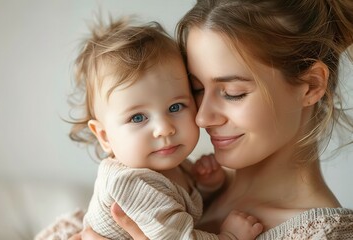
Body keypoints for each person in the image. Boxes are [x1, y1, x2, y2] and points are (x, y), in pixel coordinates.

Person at [76, 0, 353, 239]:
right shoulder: (179, 179)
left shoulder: (322, 234)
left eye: (232, 93)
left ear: (311, 85)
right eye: (196, 89)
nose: (201, 117)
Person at [36, 16, 263, 240]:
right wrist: (231, 236)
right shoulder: (131, 182)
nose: (164, 128)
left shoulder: (173, 164)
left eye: (175, 106)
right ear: (105, 137)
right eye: (137, 118)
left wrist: (206, 187)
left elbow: (178, 209)